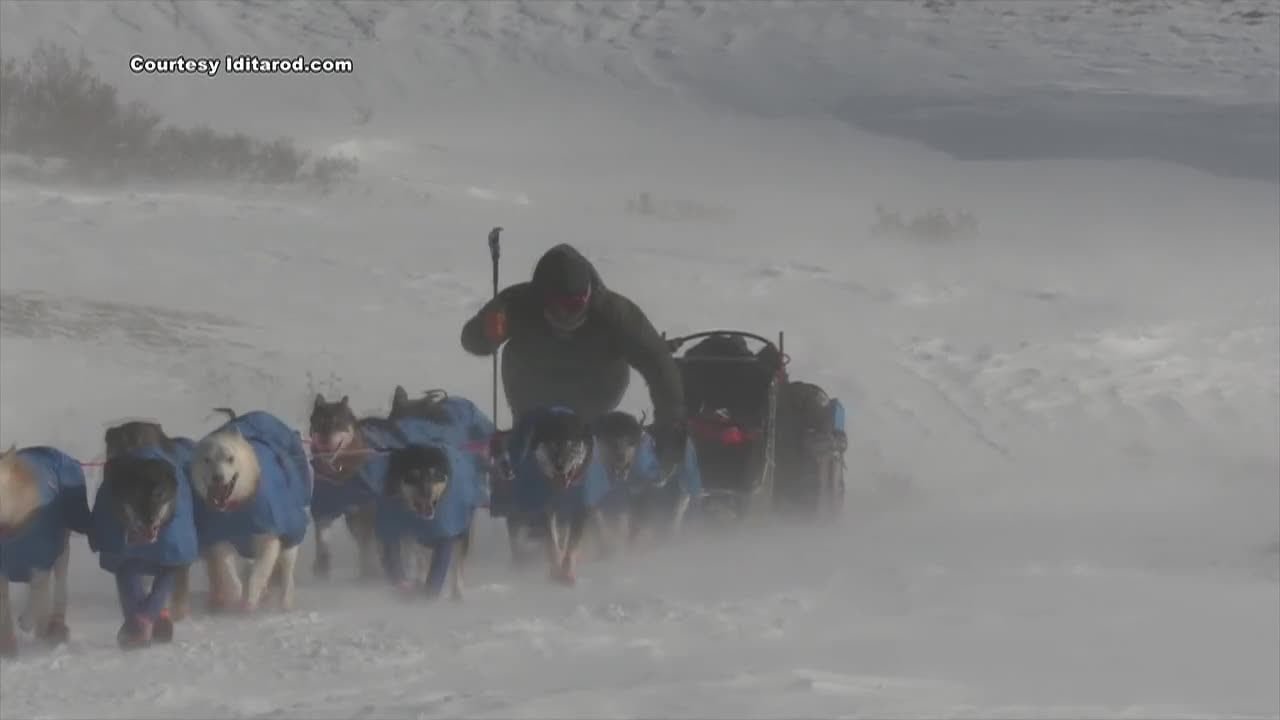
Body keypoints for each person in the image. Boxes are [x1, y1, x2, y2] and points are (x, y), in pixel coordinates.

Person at [460, 243, 687, 470]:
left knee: (585, 444)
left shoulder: (614, 313)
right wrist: (486, 333)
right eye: (558, 306)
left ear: (588, 295)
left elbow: (657, 362)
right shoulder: (516, 304)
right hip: (531, 394)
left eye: (576, 304)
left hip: (595, 395)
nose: (568, 314)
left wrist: (670, 419)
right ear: (540, 297)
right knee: (534, 444)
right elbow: (471, 340)